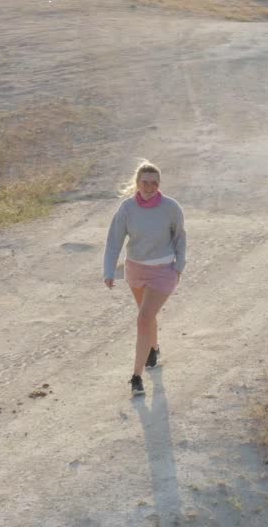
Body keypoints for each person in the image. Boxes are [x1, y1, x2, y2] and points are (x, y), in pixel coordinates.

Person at [103, 161, 186, 397]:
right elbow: (114, 241)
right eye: (145, 182)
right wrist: (109, 270)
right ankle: (154, 348)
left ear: (159, 185)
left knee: (143, 318)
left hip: (163, 272)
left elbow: (180, 238)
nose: (149, 187)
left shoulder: (171, 207)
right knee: (146, 314)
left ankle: (136, 377)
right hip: (136, 271)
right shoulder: (127, 209)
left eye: (154, 183)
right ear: (137, 183)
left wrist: (179, 267)